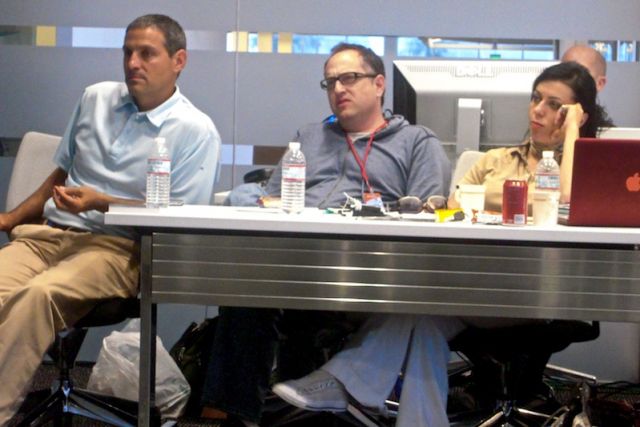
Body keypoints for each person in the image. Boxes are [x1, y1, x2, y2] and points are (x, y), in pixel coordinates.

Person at [271, 62, 612, 427]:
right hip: (476, 283)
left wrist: (573, 132)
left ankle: (341, 382)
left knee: (419, 307)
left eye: (554, 105)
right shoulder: (494, 161)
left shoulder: (592, 165)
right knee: (423, 321)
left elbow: (569, 199)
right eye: (535, 98)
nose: (538, 110)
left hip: (537, 292)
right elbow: (455, 209)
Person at [200, 43, 451, 426]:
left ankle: (301, 406)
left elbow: (428, 218)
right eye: (330, 82)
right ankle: (237, 417)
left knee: (299, 316)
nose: (338, 89)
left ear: (379, 84)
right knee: (245, 291)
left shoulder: (416, 141)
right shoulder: (309, 137)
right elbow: (271, 201)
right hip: (298, 263)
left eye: (348, 78)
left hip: (371, 272)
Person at [0, 14, 220, 424]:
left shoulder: (196, 131)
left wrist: (103, 203)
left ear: (179, 61)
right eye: (128, 52)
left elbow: (180, 217)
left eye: (147, 54)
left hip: (116, 249)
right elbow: (60, 174)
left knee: (37, 296)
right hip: (47, 236)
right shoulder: (95, 98)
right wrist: (10, 218)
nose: (133, 63)